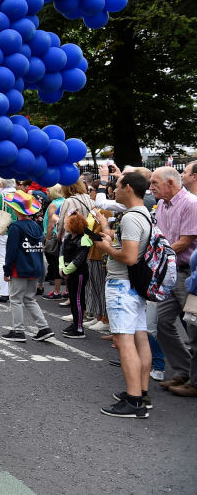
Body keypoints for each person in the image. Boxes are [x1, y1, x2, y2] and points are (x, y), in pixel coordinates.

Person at [89, 171, 154, 417]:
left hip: (122, 286)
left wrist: (106, 247)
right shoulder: (143, 214)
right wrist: (112, 241)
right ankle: (141, 394)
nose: (112, 190)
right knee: (140, 338)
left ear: (128, 187)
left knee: (124, 341)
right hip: (134, 286)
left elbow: (127, 257)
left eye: (116, 185)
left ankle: (134, 401)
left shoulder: (130, 218)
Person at [148, 167, 197, 397]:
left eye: (155, 183)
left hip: (187, 274)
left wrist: (158, 255)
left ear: (170, 182)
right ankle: (183, 371)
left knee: (194, 328)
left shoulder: (190, 203)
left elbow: (185, 242)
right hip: (172, 271)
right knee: (163, 322)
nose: (151, 187)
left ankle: (193, 382)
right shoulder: (162, 206)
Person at [0, 191, 53, 342]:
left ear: (17, 210)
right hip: (35, 267)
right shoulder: (36, 226)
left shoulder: (15, 227)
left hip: (19, 268)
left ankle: (18, 330)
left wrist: (6, 270)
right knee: (29, 298)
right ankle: (44, 327)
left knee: (15, 299)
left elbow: (11, 251)